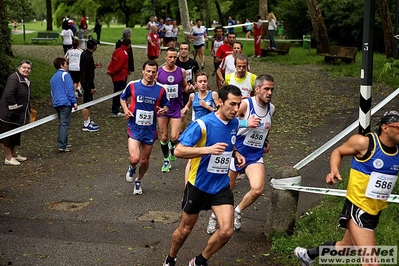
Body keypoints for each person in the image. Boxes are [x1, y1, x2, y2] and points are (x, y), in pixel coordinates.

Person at [294, 110, 399, 266]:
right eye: (398, 126)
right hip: (358, 207)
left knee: (345, 249)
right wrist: (334, 170)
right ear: (385, 127)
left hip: (375, 209)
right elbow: (338, 151)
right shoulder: (365, 143)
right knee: (371, 262)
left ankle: (308, 255)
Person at [162, 85, 245, 266]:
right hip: (198, 185)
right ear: (220, 102)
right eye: (232, 104)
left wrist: (235, 153)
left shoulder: (235, 123)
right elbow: (178, 151)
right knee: (185, 229)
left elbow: (228, 144)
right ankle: (171, 258)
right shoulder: (202, 124)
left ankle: (199, 261)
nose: (236, 109)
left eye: (239, 105)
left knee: (226, 231)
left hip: (221, 186)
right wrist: (208, 150)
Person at [206, 74, 275, 234]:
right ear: (257, 89)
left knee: (257, 189)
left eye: (272, 89)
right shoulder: (245, 104)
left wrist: (265, 140)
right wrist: (246, 122)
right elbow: (225, 121)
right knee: (225, 190)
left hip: (254, 154)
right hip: (236, 151)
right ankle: (214, 217)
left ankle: (237, 211)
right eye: (266, 89)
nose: (269, 92)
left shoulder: (271, 109)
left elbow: (265, 127)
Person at [120, 60, 169, 195]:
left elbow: (166, 105)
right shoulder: (133, 85)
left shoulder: (161, 89)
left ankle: (139, 180)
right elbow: (122, 97)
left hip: (149, 129)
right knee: (135, 158)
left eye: (153, 72)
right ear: (143, 71)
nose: (150, 74)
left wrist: (163, 110)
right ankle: (131, 167)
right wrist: (125, 109)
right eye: (148, 71)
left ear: (156, 73)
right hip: (134, 127)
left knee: (144, 160)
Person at [180, 71, 218, 184]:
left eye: (205, 81)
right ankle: (187, 187)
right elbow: (187, 106)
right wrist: (184, 110)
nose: (203, 84)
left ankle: (207, 182)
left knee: (210, 156)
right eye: (200, 81)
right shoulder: (193, 96)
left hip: (210, 129)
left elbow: (220, 111)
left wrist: (207, 107)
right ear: (196, 84)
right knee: (191, 159)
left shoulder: (213, 95)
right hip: (196, 129)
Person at [157, 47, 188, 172]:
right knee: (163, 137)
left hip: (176, 108)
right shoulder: (158, 72)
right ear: (165, 57)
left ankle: (172, 146)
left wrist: (189, 89)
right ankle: (166, 159)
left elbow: (185, 87)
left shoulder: (181, 72)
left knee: (175, 137)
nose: (172, 59)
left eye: (174, 57)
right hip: (163, 110)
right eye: (170, 57)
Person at [0, 60, 32, 166]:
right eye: (24, 67)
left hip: (18, 114)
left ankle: (14, 154)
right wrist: (14, 107)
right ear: (19, 68)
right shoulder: (14, 78)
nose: (26, 69)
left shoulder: (26, 79)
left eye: (28, 68)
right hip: (9, 114)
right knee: (7, 136)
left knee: (15, 134)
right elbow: (8, 94)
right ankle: (8, 157)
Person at [50, 58, 78, 152]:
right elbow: (69, 89)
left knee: (62, 123)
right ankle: (61, 145)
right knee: (65, 124)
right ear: (62, 65)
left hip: (57, 103)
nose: (67, 65)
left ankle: (64, 142)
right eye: (66, 64)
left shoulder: (53, 77)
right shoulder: (65, 75)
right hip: (65, 103)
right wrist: (74, 101)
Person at [79, 39, 103, 132]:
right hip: (87, 82)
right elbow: (88, 73)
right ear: (93, 46)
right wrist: (92, 86)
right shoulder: (88, 56)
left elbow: (86, 67)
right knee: (86, 102)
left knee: (89, 102)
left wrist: (94, 66)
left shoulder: (86, 54)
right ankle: (86, 124)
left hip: (85, 81)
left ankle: (88, 120)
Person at [175, 42, 199, 131]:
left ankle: (181, 134)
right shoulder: (175, 62)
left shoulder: (193, 63)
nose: (183, 51)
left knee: (183, 113)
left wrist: (195, 86)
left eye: (185, 49)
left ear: (189, 51)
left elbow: (198, 76)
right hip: (175, 90)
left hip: (188, 91)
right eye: (181, 49)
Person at [107, 38, 131, 118]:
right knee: (118, 94)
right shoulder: (124, 53)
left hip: (116, 76)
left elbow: (113, 62)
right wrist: (112, 71)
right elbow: (119, 66)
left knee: (117, 93)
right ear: (128, 45)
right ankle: (115, 111)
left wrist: (110, 70)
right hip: (120, 77)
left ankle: (119, 107)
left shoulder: (117, 51)